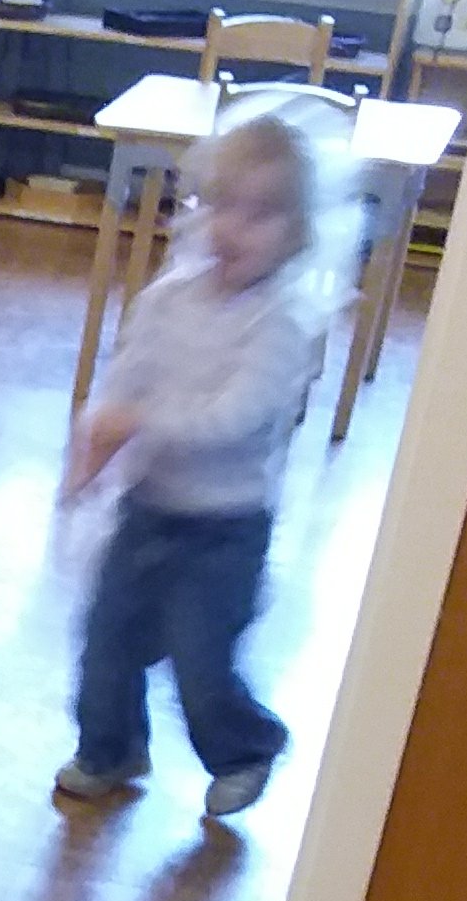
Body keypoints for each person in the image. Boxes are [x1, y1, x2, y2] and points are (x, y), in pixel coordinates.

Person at [55, 105, 336, 822]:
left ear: (296, 232)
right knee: (107, 638)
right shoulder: (167, 300)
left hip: (225, 529)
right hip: (149, 509)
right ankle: (111, 749)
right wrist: (96, 441)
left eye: (260, 214)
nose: (233, 227)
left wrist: (140, 422)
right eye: (220, 205)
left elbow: (233, 418)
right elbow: (127, 377)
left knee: (200, 660)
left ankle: (245, 749)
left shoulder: (282, 322)